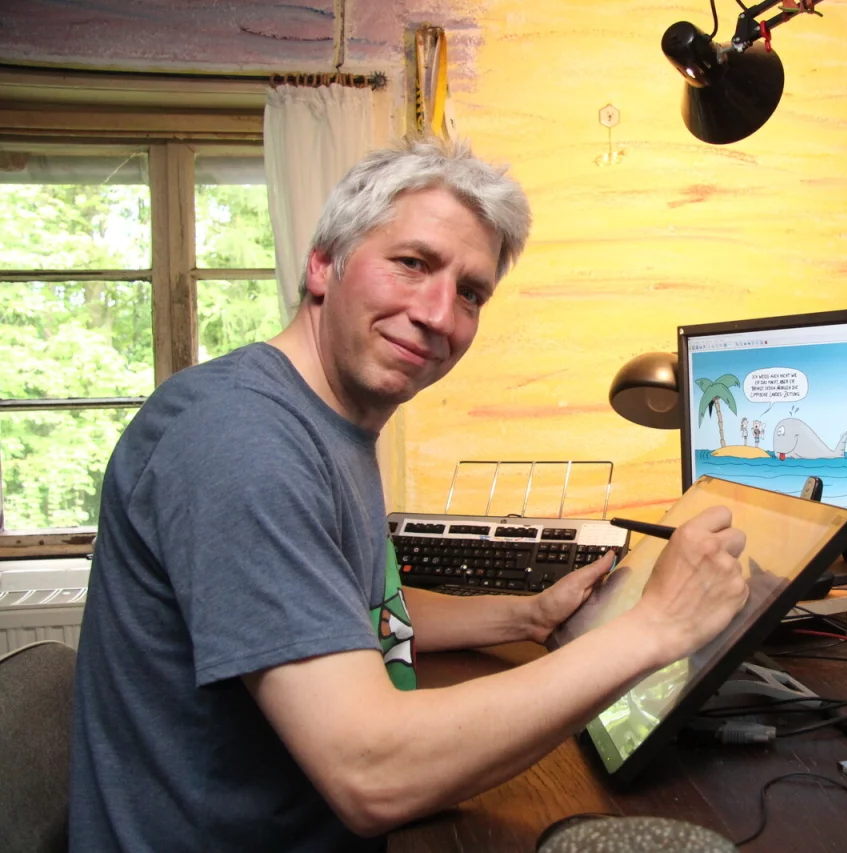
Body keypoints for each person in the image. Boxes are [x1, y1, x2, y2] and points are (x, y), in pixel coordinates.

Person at [68, 137, 751, 852]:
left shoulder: (328, 421)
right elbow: (373, 772)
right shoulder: (242, 440)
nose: (439, 314)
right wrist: (656, 629)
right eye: (413, 263)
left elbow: (347, 610)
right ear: (323, 264)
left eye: (470, 293)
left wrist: (527, 614)